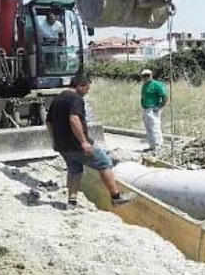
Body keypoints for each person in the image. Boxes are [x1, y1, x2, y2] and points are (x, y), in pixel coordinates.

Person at [45, 75, 135, 208]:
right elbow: (74, 119)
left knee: (74, 170)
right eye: (87, 88)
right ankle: (116, 197)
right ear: (81, 86)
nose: (87, 92)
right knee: (104, 163)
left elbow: (48, 122)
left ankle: (72, 201)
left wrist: (55, 140)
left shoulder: (57, 99)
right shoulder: (76, 99)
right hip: (76, 143)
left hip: (63, 145)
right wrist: (83, 142)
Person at [139, 69, 167, 152]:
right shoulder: (144, 85)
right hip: (146, 108)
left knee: (154, 126)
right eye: (144, 75)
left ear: (151, 75)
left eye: (148, 75)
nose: (146, 77)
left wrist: (161, 106)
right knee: (148, 128)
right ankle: (152, 145)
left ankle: (158, 145)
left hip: (153, 108)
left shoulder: (156, 84)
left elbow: (164, 95)